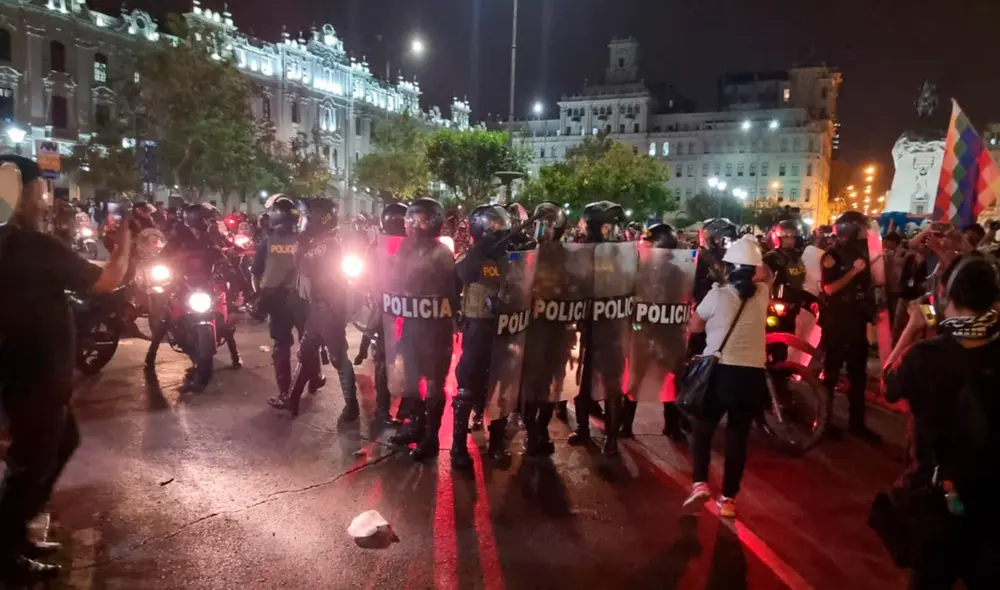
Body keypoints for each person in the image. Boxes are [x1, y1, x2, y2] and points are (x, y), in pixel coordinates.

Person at [0, 155, 132, 583]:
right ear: (23, 193)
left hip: (23, 372)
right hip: (37, 375)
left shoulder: (10, 243)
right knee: (32, 466)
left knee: (54, 447)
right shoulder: (32, 246)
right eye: (42, 188)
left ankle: (15, 535)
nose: (48, 196)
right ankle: (6, 551)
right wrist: (126, 240)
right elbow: (108, 280)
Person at [884, 255, 1000, 589]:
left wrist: (912, 328)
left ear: (947, 294)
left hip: (939, 492)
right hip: (990, 494)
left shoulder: (926, 355)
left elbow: (889, 384)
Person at [683, 235, 771, 519]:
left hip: (720, 373)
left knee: (703, 429)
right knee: (737, 437)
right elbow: (764, 273)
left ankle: (699, 484)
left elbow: (695, 328)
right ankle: (729, 500)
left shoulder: (717, 294)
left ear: (729, 267)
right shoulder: (762, 293)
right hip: (752, 376)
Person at [268, 199, 359, 420]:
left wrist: (300, 246)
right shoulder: (321, 241)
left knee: (338, 357)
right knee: (306, 352)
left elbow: (306, 266)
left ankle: (351, 405)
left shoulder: (328, 244)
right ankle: (292, 399)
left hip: (329, 309)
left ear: (319, 219)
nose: (303, 222)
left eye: (308, 217)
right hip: (318, 307)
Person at [385, 198, 458, 461]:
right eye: (412, 219)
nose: (416, 225)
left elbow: (449, 291)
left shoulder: (442, 252)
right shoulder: (405, 247)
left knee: (435, 384)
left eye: (423, 220)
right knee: (411, 379)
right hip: (412, 326)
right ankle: (415, 426)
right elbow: (394, 279)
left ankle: (431, 438)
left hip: (435, 330)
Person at [145, 204, 242, 391]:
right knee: (165, 317)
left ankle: (234, 354)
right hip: (182, 283)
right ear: (196, 219)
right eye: (206, 219)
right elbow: (164, 256)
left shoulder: (210, 236)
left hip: (206, 283)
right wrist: (158, 265)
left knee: (225, 317)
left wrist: (229, 264)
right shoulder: (178, 237)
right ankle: (151, 355)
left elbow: (221, 252)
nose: (209, 223)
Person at [452, 204, 515, 468]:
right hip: (478, 329)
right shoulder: (472, 258)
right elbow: (457, 280)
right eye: (493, 226)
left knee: (502, 386)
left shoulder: (512, 256)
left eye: (501, 225)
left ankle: (497, 443)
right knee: (467, 386)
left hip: (507, 330)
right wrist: (478, 254)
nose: (498, 230)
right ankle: (457, 448)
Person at [571, 200, 628, 457]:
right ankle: (583, 429)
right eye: (610, 224)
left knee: (612, 385)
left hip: (612, 328)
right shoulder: (580, 252)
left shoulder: (624, 254)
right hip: (585, 326)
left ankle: (612, 437)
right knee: (580, 383)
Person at [819, 211, 881, 442]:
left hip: (856, 321)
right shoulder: (832, 255)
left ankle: (857, 423)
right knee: (831, 374)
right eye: (862, 228)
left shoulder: (865, 253)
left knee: (858, 375)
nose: (865, 232)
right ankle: (823, 422)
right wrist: (854, 271)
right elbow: (830, 289)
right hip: (837, 321)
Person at [252, 196, 313, 404]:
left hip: (276, 299)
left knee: (281, 345)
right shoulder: (304, 240)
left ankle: (285, 393)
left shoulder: (267, 242)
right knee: (308, 342)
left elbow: (256, 272)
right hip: (302, 298)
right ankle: (315, 378)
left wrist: (260, 295)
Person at [520, 202, 570, 457]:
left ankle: (542, 428)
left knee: (552, 383)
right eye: (539, 225)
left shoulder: (568, 256)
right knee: (532, 383)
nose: (543, 231)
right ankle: (531, 430)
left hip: (558, 331)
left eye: (548, 226)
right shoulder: (527, 251)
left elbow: (577, 287)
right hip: (533, 330)